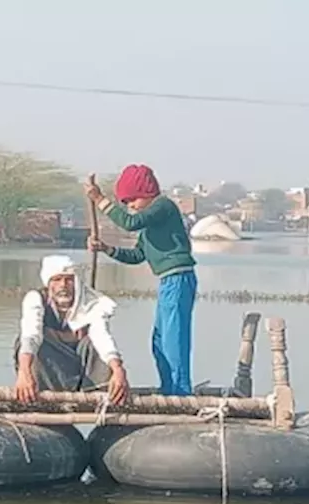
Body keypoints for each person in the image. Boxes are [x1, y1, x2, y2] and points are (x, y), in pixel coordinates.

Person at [85, 164, 198, 396]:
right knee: (158, 343)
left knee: (174, 341)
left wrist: (100, 200)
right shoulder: (149, 226)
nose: (130, 207)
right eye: (125, 203)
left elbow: (129, 223)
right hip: (167, 282)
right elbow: (136, 256)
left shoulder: (162, 206)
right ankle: (168, 389)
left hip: (179, 278)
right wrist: (106, 248)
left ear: (146, 194)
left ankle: (181, 393)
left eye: (132, 200)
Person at [13, 254, 129, 405]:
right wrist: (24, 372)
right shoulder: (36, 299)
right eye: (57, 279)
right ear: (48, 284)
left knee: (92, 342)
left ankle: (102, 396)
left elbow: (102, 337)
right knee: (28, 341)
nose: (63, 285)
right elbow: (31, 334)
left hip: (80, 369)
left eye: (69, 279)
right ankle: (38, 395)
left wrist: (118, 369)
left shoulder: (92, 303)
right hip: (52, 370)